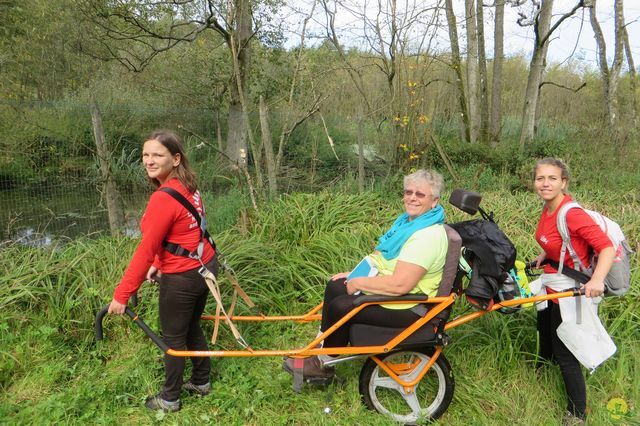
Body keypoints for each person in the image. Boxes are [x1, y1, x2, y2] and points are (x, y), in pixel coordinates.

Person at [283, 169, 449, 381]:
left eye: (420, 194)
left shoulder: (427, 237)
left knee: (341, 306)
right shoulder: (408, 224)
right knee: (336, 285)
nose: (412, 198)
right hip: (397, 293)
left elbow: (401, 285)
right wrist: (353, 275)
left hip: (409, 305)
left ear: (434, 201)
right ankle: (321, 346)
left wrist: (361, 282)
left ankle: (323, 364)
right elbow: (383, 259)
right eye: (408, 192)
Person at [108, 130, 217, 413]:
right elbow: (185, 232)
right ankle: (202, 381)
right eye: (146, 154)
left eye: (158, 155)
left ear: (176, 158)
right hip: (204, 267)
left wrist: (122, 295)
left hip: (183, 277)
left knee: (173, 339)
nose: (149, 160)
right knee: (191, 326)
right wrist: (160, 262)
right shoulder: (188, 185)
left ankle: (170, 399)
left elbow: (144, 250)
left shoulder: (163, 197)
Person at [531, 157, 615, 424]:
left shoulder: (571, 212)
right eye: (540, 178)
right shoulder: (548, 209)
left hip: (573, 287)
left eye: (552, 178)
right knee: (543, 326)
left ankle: (577, 413)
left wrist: (597, 280)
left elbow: (607, 248)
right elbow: (562, 239)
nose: (545, 183)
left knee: (565, 348)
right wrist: (545, 255)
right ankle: (543, 367)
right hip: (553, 278)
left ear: (563, 182)